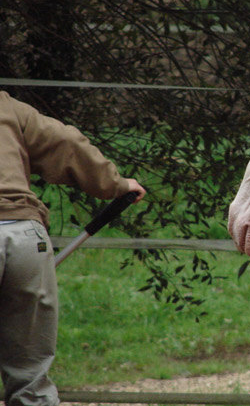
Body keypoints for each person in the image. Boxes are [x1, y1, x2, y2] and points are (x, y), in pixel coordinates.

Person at [0, 90, 146, 406]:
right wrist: (117, 184)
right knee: (30, 379)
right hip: (23, 237)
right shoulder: (6, 107)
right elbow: (66, 144)